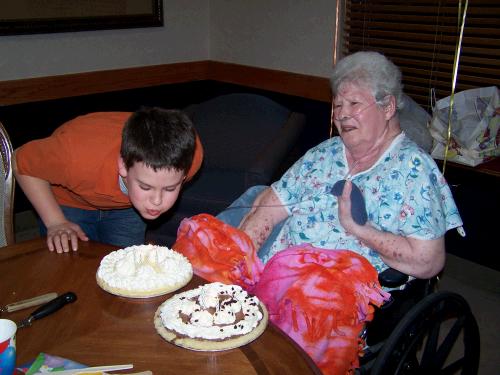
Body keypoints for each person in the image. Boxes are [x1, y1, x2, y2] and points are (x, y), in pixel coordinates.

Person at [173, 51, 463, 374]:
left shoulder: (414, 170)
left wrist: (360, 229)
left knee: (303, 304)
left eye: (354, 104)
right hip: (279, 267)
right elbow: (270, 207)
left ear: (388, 107)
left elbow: (429, 260)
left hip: (338, 288)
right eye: (338, 105)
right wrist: (239, 263)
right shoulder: (324, 153)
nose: (342, 115)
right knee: (203, 241)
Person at [13, 108, 203, 253]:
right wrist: (55, 222)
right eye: (145, 186)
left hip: (127, 208)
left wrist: (145, 189)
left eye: (170, 188)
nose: (157, 201)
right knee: (69, 270)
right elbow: (20, 161)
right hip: (68, 202)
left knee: (126, 269)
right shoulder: (76, 156)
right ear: (122, 165)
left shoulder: (191, 155)